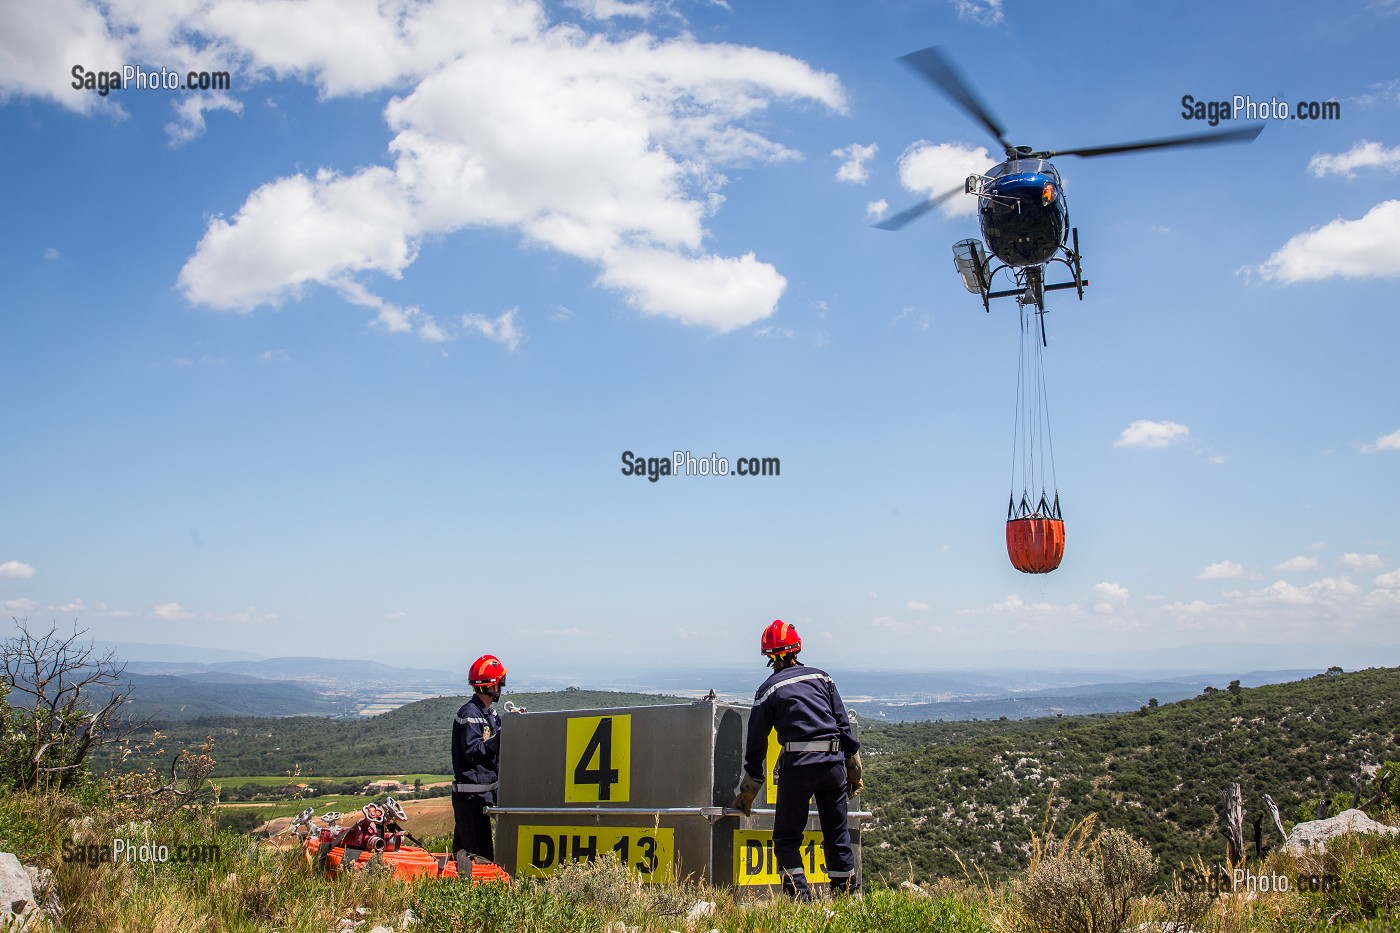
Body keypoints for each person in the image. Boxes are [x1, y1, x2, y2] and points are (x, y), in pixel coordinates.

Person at [732, 620, 863, 900]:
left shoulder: (768, 689)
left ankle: (801, 900)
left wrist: (750, 785)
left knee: (787, 838)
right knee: (837, 834)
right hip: (832, 765)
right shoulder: (823, 678)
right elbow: (842, 725)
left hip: (798, 767)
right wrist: (852, 768)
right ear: (797, 648)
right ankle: (845, 897)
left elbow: (757, 741)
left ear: (769, 657)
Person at [452, 653, 506, 874]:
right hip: (472, 798)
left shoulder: (489, 715)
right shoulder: (469, 715)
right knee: (479, 857)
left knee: (464, 852)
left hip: (482, 796)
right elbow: (474, 752)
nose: (501, 688)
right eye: (500, 683)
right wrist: (500, 737)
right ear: (491, 685)